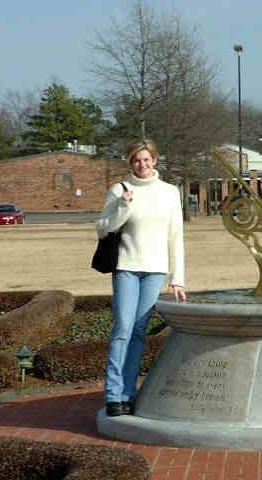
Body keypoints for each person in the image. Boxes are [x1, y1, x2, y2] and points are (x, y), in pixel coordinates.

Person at [95, 138, 186, 417]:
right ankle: (113, 395)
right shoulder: (119, 189)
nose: (142, 164)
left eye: (146, 159)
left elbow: (176, 236)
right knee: (122, 329)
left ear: (155, 161)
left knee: (138, 332)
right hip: (126, 267)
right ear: (130, 162)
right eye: (136, 160)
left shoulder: (170, 192)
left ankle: (127, 394)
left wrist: (178, 277)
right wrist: (123, 207)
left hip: (155, 270)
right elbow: (102, 229)